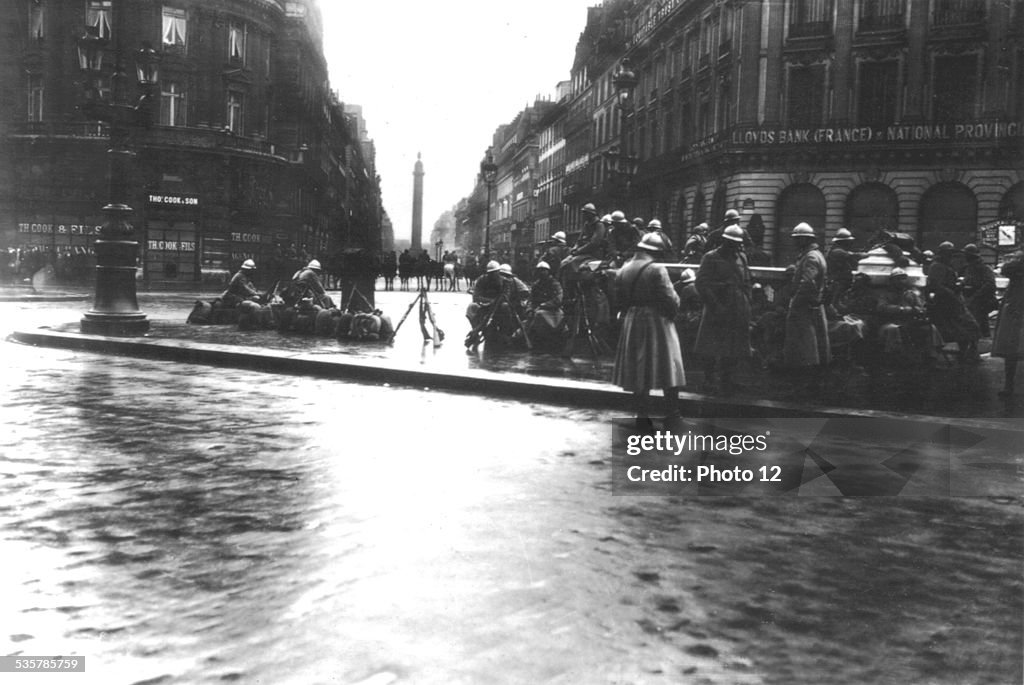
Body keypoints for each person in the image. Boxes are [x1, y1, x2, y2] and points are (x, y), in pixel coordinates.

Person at [612, 232, 686, 429]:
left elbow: (618, 298)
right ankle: (672, 414)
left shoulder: (624, 269)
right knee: (668, 365)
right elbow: (671, 299)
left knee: (639, 369)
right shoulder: (656, 269)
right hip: (656, 320)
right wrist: (673, 312)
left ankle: (642, 416)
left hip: (633, 320)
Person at [693, 225, 752, 393]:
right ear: (724, 241)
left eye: (737, 243)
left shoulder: (742, 257)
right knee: (710, 345)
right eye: (731, 242)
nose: (734, 246)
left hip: (737, 307)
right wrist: (715, 303)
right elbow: (701, 283)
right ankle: (709, 380)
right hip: (716, 306)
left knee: (735, 345)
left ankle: (728, 379)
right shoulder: (710, 257)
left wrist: (747, 301)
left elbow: (746, 279)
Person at [783, 222, 830, 378]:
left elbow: (807, 283)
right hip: (812, 307)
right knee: (811, 347)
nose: (794, 242)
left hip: (805, 309)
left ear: (804, 239)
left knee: (805, 349)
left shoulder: (810, 257)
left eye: (797, 239)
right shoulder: (815, 255)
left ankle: (804, 386)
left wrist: (795, 303)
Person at [875, 267, 944, 364]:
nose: (901, 281)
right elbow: (882, 308)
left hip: (910, 321)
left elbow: (922, 307)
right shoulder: (885, 294)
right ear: (892, 281)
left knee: (930, 328)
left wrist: (919, 310)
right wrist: (903, 309)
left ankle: (931, 356)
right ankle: (893, 359)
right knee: (893, 330)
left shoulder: (911, 294)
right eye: (897, 279)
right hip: (891, 321)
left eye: (903, 278)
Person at [926, 241, 980, 363]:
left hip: (955, 303)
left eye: (950, 253)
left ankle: (964, 353)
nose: (949, 256)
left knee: (970, 326)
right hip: (945, 304)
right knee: (961, 328)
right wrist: (951, 292)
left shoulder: (947, 266)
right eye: (947, 253)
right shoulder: (936, 266)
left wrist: (959, 285)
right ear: (942, 254)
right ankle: (962, 354)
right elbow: (936, 285)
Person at [992, 250, 1024, 397]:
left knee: (1011, 349)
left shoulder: (1016, 265)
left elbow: (1006, 268)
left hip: (1015, 308)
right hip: (1016, 308)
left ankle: (1009, 385)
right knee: (1012, 349)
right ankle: (1009, 385)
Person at [825, 228, 868, 311]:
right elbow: (853, 256)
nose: (850, 244)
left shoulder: (837, 250)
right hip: (837, 282)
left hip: (840, 281)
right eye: (848, 242)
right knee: (836, 303)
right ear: (843, 242)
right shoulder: (837, 251)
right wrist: (864, 254)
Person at [560, 202, 607, 276]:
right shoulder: (586, 224)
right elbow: (579, 240)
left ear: (591, 214)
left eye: (585, 213)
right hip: (583, 252)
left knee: (573, 264)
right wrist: (575, 248)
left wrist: (578, 251)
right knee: (564, 263)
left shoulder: (599, 225)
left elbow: (593, 243)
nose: (583, 215)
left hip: (594, 253)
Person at [960, 243, 997, 337]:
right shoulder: (969, 268)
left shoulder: (984, 269)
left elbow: (990, 284)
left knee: (978, 323)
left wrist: (976, 296)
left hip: (980, 301)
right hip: (970, 299)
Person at [526, 261, 564, 346]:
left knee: (540, 315)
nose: (541, 272)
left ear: (548, 271)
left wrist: (543, 305)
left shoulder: (555, 284)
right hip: (537, 310)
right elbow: (531, 299)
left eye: (544, 270)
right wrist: (529, 309)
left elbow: (558, 299)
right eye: (539, 270)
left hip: (553, 311)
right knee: (527, 324)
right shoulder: (536, 285)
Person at [673, 268, 702, 355]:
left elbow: (682, 306)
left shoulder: (687, 289)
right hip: (700, 315)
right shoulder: (699, 286)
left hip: (690, 316)